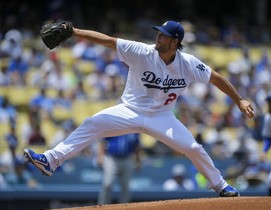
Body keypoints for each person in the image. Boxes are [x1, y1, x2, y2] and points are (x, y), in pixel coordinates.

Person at [24, 20, 255, 197]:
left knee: (193, 147)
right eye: (158, 33)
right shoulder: (142, 51)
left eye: (163, 36)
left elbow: (216, 78)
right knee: (92, 123)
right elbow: (108, 40)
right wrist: (74, 32)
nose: (158, 37)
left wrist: (239, 100)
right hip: (130, 110)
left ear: (174, 42)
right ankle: (50, 160)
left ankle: (221, 185)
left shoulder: (189, 63)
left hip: (162, 117)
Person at [97, 133, 141, 204]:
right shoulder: (113, 124)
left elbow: (137, 144)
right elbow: (102, 140)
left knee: (126, 187)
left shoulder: (133, 127)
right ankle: (102, 207)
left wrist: (138, 160)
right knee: (107, 184)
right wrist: (100, 156)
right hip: (111, 159)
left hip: (127, 159)